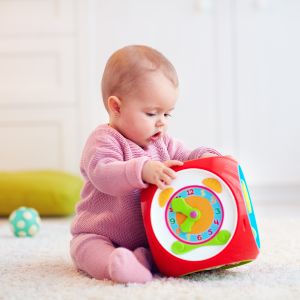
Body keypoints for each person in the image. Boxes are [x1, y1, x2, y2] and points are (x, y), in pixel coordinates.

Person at [70, 45, 222, 284]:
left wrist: (206, 157)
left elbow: (186, 156)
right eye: (152, 114)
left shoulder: (163, 142)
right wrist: (141, 170)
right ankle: (114, 265)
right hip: (100, 232)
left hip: (149, 236)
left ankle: (140, 260)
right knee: (85, 248)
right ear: (117, 107)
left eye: (167, 114)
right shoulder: (104, 139)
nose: (161, 123)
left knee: (167, 253)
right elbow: (103, 174)